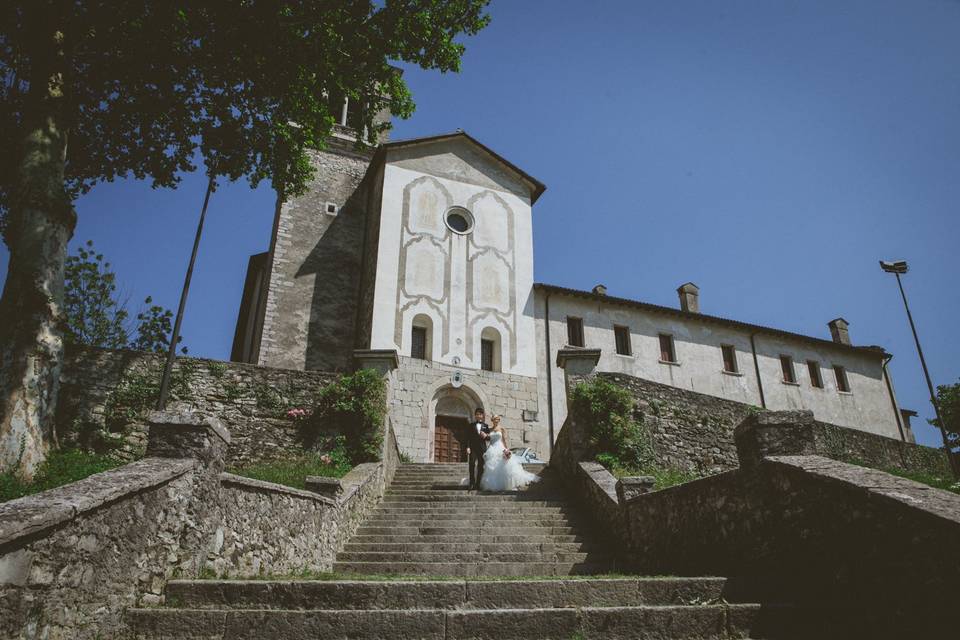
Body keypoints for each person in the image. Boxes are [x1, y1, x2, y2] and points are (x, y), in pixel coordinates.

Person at [480, 415, 540, 491]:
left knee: (504, 466)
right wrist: (484, 435)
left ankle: (506, 484)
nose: (496, 420)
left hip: (500, 448)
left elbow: (504, 440)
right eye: (494, 419)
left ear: (499, 420)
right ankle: (493, 484)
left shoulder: (502, 429)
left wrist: (506, 449)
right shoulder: (489, 429)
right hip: (491, 449)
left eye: (497, 419)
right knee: (492, 466)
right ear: (492, 420)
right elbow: (487, 438)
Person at [466, 407, 490, 490]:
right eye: (477, 414)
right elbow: (468, 437)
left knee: (481, 466)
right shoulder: (471, 425)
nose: (478, 416)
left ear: (482, 416)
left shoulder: (486, 426)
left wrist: (486, 436)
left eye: (480, 414)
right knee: (471, 464)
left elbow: (489, 438)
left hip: (482, 448)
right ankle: (471, 482)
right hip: (473, 448)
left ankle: (478, 483)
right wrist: (468, 447)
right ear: (475, 415)